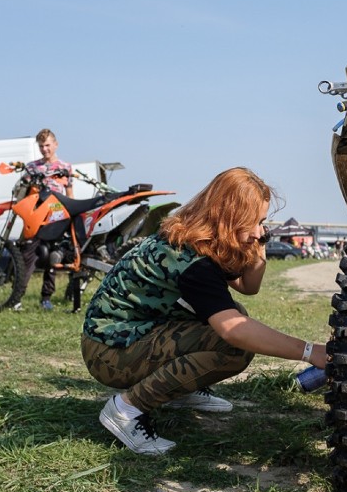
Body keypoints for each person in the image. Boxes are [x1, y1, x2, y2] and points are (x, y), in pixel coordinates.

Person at [81, 167, 328, 455]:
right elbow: (233, 330)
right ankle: (126, 409)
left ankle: (181, 388)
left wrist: (258, 246)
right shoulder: (193, 261)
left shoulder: (195, 238)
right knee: (233, 346)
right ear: (231, 217)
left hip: (119, 337)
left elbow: (248, 286)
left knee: (235, 308)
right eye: (255, 222)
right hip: (108, 352)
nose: (260, 232)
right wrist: (311, 351)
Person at [18, 128, 73, 311]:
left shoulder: (65, 167)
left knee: (52, 257)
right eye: (41, 146)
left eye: (48, 145)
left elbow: (69, 195)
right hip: (36, 216)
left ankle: (46, 297)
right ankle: (17, 296)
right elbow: (22, 193)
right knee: (28, 256)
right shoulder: (32, 167)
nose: (45, 150)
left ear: (55, 145)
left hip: (56, 217)